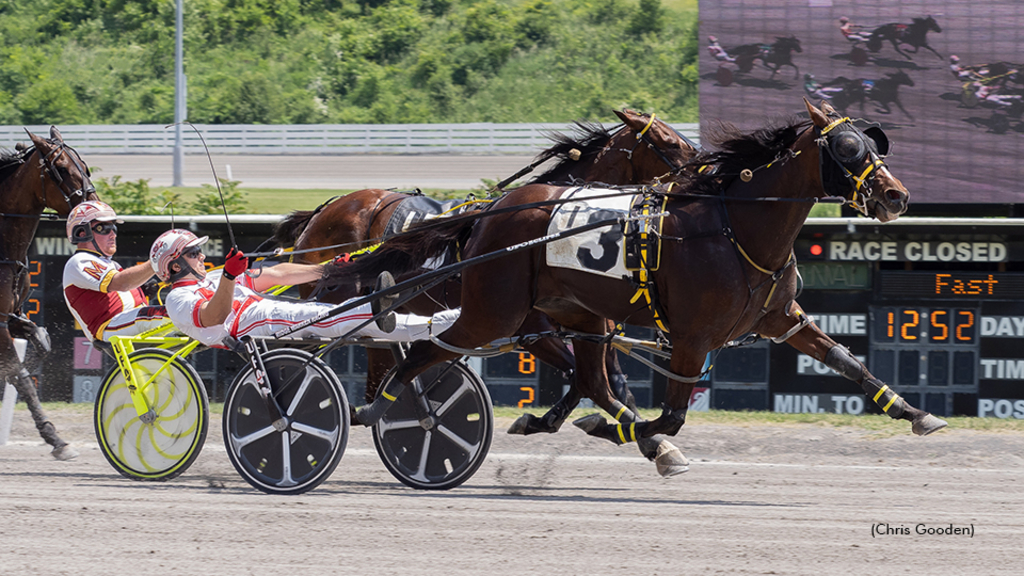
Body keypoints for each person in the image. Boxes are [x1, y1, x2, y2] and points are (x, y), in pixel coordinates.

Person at [150, 229, 459, 347]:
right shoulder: (178, 298)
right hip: (248, 327)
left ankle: (437, 326)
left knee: (341, 319)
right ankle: (374, 307)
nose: (202, 256)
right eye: (193, 253)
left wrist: (330, 270)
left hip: (265, 316)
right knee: (332, 316)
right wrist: (230, 277)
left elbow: (275, 275)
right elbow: (214, 317)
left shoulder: (213, 278)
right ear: (175, 266)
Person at [62, 201, 167, 343]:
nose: (113, 235)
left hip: (127, 323)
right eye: (103, 228)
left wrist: (141, 292)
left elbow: (121, 291)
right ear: (82, 233)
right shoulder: (80, 261)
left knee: (182, 312)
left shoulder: (110, 264)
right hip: (110, 328)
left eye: (114, 228)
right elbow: (121, 283)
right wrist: (158, 260)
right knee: (173, 314)